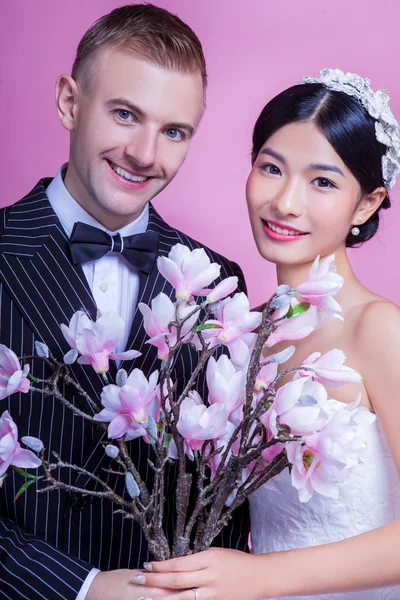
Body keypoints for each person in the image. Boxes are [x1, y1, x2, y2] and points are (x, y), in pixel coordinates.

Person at [0, 4, 250, 600]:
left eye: (173, 131)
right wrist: (82, 589)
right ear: (69, 102)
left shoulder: (218, 281)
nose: (144, 153)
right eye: (124, 114)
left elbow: (227, 491)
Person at [135, 69, 400, 599]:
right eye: (271, 168)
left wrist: (258, 575)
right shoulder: (241, 333)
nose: (285, 203)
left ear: (366, 204)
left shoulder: (379, 329)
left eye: (322, 181)